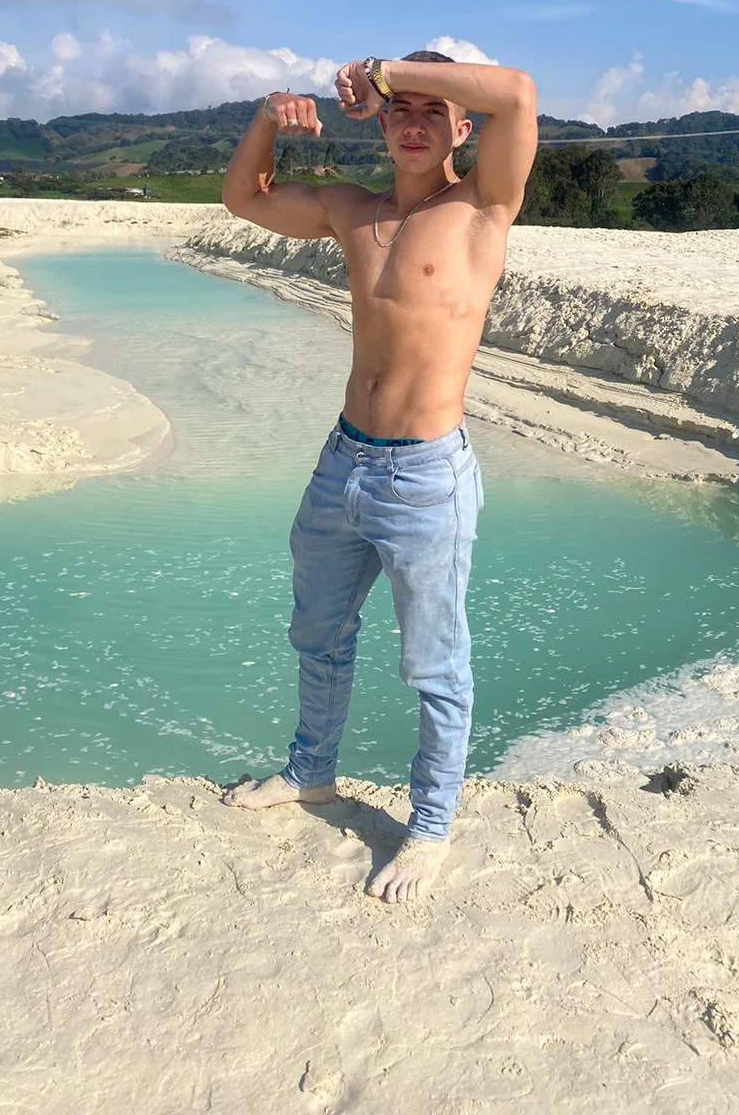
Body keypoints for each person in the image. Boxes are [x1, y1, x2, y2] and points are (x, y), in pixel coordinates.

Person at [221, 50, 538, 902]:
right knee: (317, 634)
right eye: (402, 111)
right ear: (382, 127)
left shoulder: (484, 207)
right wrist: (270, 116)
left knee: (435, 665)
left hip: (425, 478)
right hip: (343, 462)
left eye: (434, 110)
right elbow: (244, 198)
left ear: (462, 130)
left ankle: (429, 827)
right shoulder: (351, 211)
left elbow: (517, 93)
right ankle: (311, 771)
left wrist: (385, 72)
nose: (415, 122)